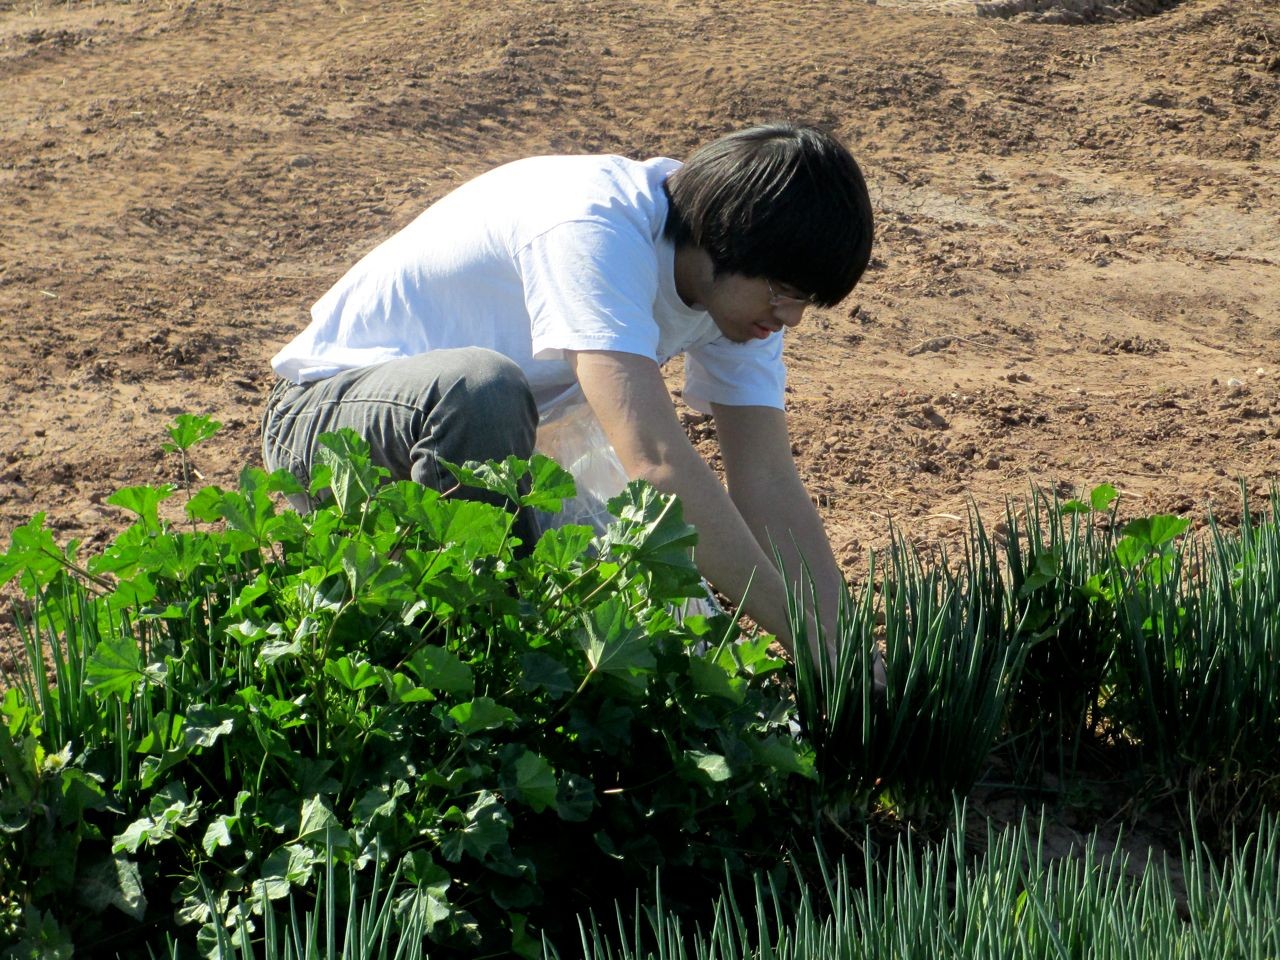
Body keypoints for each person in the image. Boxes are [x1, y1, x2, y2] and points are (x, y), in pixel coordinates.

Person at [262, 122, 874, 662]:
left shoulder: (744, 300)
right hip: (333, 434)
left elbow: (765, 480)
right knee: (483, 388)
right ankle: (468, 654)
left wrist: (846, 650)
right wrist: (804, 638)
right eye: (783, 291)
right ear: (726, 237)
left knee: (664, 635)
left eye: (805, 301)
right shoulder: (594, 226)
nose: (790, 319)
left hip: (513, 448)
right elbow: (655, 463)